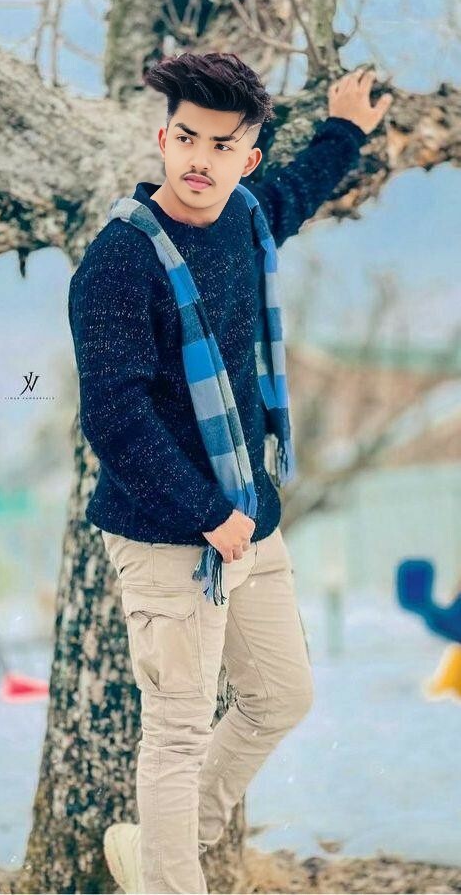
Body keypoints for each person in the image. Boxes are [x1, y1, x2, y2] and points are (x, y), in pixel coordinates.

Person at [68, 52, 392, 894]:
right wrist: (205, 511)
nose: (199, 161)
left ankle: (157, 849)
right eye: (186, 138)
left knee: (280, 695)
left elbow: (296, 192)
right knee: (176, 733)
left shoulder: (246, 218)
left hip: (249, 518)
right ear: (161, 139)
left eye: (220, 146)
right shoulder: (120, 260)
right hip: (168, 533)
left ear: (246, 157)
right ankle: (170, 878)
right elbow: (115, 416)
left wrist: (344, 129)